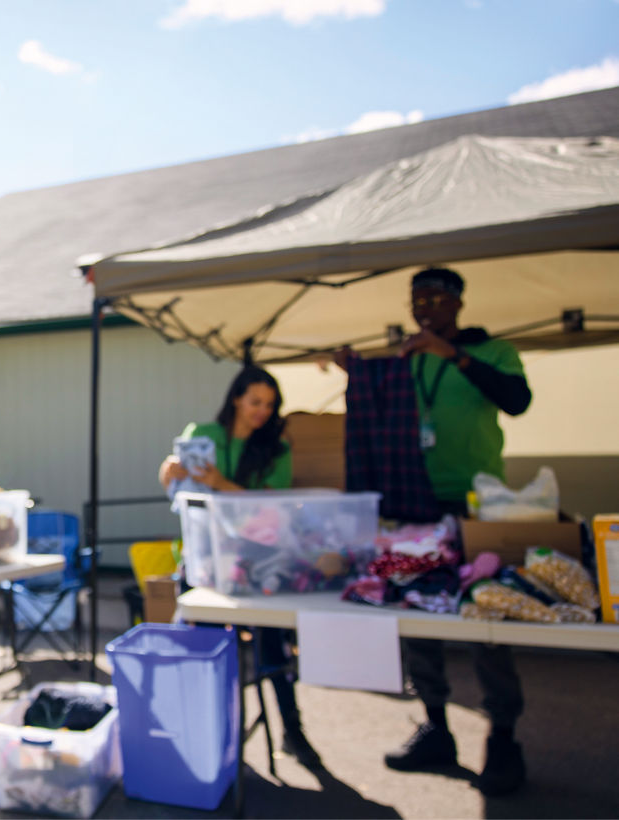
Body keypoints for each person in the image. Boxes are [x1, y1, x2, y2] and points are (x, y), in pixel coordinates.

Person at [336, 266, 532, 796]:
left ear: (458, 304)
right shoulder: (405, 359)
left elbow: (517, 401)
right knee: (417, 613)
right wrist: (357, 372)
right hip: (414, 503)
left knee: (486, 617)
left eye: (437, 298)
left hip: (476, 504)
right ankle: (436, 725)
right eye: (417, 299)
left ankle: (503, 736)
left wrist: (456, 357)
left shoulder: (492, 353)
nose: (426, 307)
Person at [157, 365, 321, 770]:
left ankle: (293, 732)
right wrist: (167, 473)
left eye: (270, 404)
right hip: (206, 565)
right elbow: (180, 494)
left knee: (273, 654)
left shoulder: (277, 449)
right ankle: (209, 735)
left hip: (259, 566)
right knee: (206, 655)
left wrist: (219, 482)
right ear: (236, 399)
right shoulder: (203, 435)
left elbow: (274, 507)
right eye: (255, 402)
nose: (262, 411)